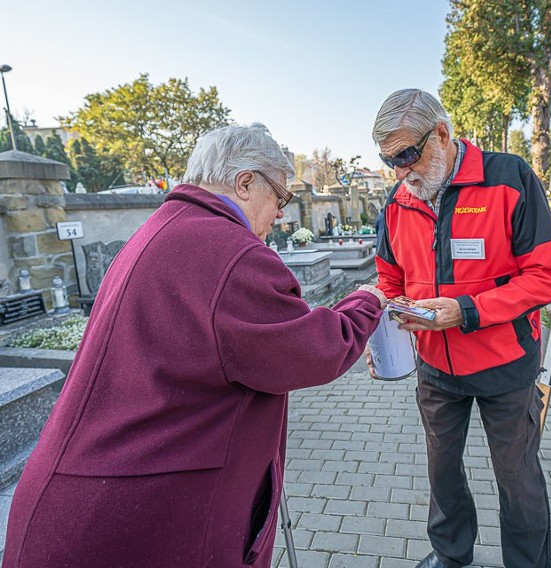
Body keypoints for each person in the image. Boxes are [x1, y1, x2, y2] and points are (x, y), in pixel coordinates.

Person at [2, 123, 386, 568]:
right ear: (245, 182)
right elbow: (314, 351)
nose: (282, 214)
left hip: (83, 504)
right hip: (134, 520)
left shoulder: (162, 229)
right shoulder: (229, 250)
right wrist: (367, 300)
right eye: (280, 198)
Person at [367, 89, 551, 568]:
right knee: (442, 472)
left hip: (506, 365)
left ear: (441, 133)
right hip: (436, 368)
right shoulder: (398, 202)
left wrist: (467, 310)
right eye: (389, 161)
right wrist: (381, 336)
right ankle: (450, 556)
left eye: (407, 156)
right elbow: (389, 279)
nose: (401, 172)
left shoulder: (510, 177)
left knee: (517, 479)